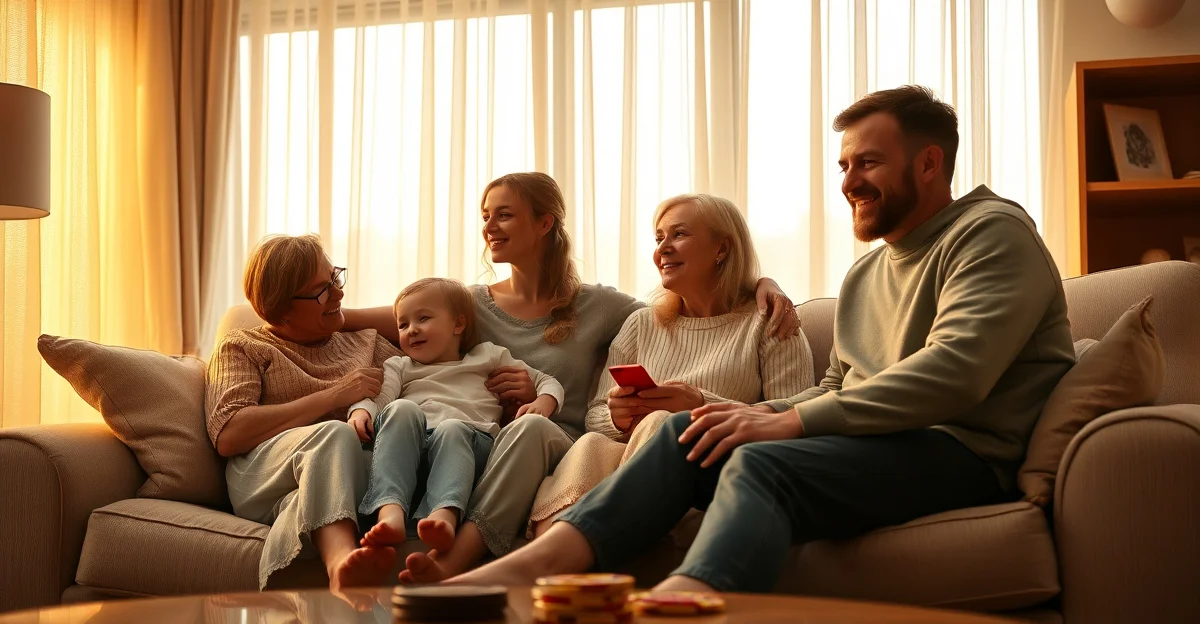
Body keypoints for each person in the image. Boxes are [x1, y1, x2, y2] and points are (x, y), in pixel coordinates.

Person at [439, 85, 1076, 593]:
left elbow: (956, 372)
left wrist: (785, 423)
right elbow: (838, 385)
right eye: (844, 165)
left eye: (869, 162)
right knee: (685, 432)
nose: (849, 181)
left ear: (929, 162)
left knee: (759, 460)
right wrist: (749, 414)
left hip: (959, 452)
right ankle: (523, 572)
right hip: (873, 445)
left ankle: (687, 599)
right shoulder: (865, 274)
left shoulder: (989, 233)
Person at [341, 172, 802, 583]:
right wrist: (618, 415)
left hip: (570, 440)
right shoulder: (473, 304)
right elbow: (407, 314)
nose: (489, 226)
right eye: (659, 237)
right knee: (578, 438)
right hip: (505, 444)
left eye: (504, 214)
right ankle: (547, 553)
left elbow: (797, 415)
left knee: (565, 427)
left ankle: (475, 561)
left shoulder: (610, 307)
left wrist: (762, 286)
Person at [527, 193, 814, 537]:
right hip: (629, 461)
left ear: (722, 248)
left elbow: (793, 422)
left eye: (679, 234)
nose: (662, 248)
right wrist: (617, 417)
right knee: (590, 445)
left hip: (711, 469)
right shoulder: (640, 324)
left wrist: (700, 405)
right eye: (659, 238)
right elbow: (595, 415)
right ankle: (555, 546)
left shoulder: (771, 323)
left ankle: (581, 542)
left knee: (662, 421)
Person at [206, 234, 406, 592]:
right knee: (336, 432)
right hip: (262, 476)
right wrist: (334, 396)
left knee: (303, 500)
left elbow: (433, 324)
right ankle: (340, 558)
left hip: (342, 479)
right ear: (280, 308)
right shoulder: (243, 346)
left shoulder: (367, 342)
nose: (339, 293)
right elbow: (230, 433)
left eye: (335, 278)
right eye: (322, 291)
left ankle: (326, 577)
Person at [348, 277, 564, 556]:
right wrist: (361, 411)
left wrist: (544, 402)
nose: (412, 330)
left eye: (423, 318)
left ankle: (444, 516)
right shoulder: (399, 366)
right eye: (403, 325)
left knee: (452, 428)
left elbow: (548, 381)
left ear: (458, 324)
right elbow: (380, 399)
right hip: (414, 451)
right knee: (401, 409)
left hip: (470, 448)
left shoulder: (488, 355)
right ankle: (390, 512)